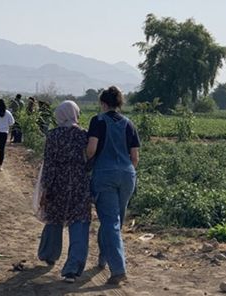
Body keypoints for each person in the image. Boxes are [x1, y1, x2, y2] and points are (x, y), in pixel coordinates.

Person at [86, 86, 140, 285]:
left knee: (110, 222)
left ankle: (118, 270)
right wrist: (125, 170)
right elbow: (135, 157)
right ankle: (103, 257)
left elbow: (91, 150)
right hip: (127, 174)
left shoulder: (98, 121)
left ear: (103, 103)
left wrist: (87, 164)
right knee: (115, 220)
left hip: (105, 174)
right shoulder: (129, 124)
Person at [37, 100, 91, 283]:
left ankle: (49, 254)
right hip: (78, 181)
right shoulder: (83, 135)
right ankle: (72, 269)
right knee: (79, 221)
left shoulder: (53, 135)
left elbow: (49, 164)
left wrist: (45, 189)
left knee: (54, 217)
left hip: (57, 182)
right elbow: (90, 157)